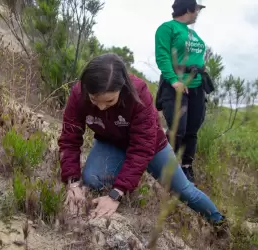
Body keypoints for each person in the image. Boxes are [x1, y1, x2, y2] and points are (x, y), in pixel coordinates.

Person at [58, 53, 228, 235]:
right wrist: (73, 183)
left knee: (184, 190)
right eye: (94, 100)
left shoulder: (138, 93)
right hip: (111, 143)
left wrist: (116, 194)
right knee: (92, 179)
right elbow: (70, 139)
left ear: (122, 88)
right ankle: (127, 178)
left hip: (152, 147)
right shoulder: (78, 94)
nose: (100, 107)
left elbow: (142, 147)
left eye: (109, 101)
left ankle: (220, 222)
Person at [154, 0, 215, 183]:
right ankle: (165, 166)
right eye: (197, 9)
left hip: (197, 86)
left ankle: (186, 167)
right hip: (176, 87)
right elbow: (162, 56)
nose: (198, 13)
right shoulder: (167, 28)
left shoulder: (193, 34)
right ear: (189, 9)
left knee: (192, 130)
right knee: (177, 129)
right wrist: (173, 81)